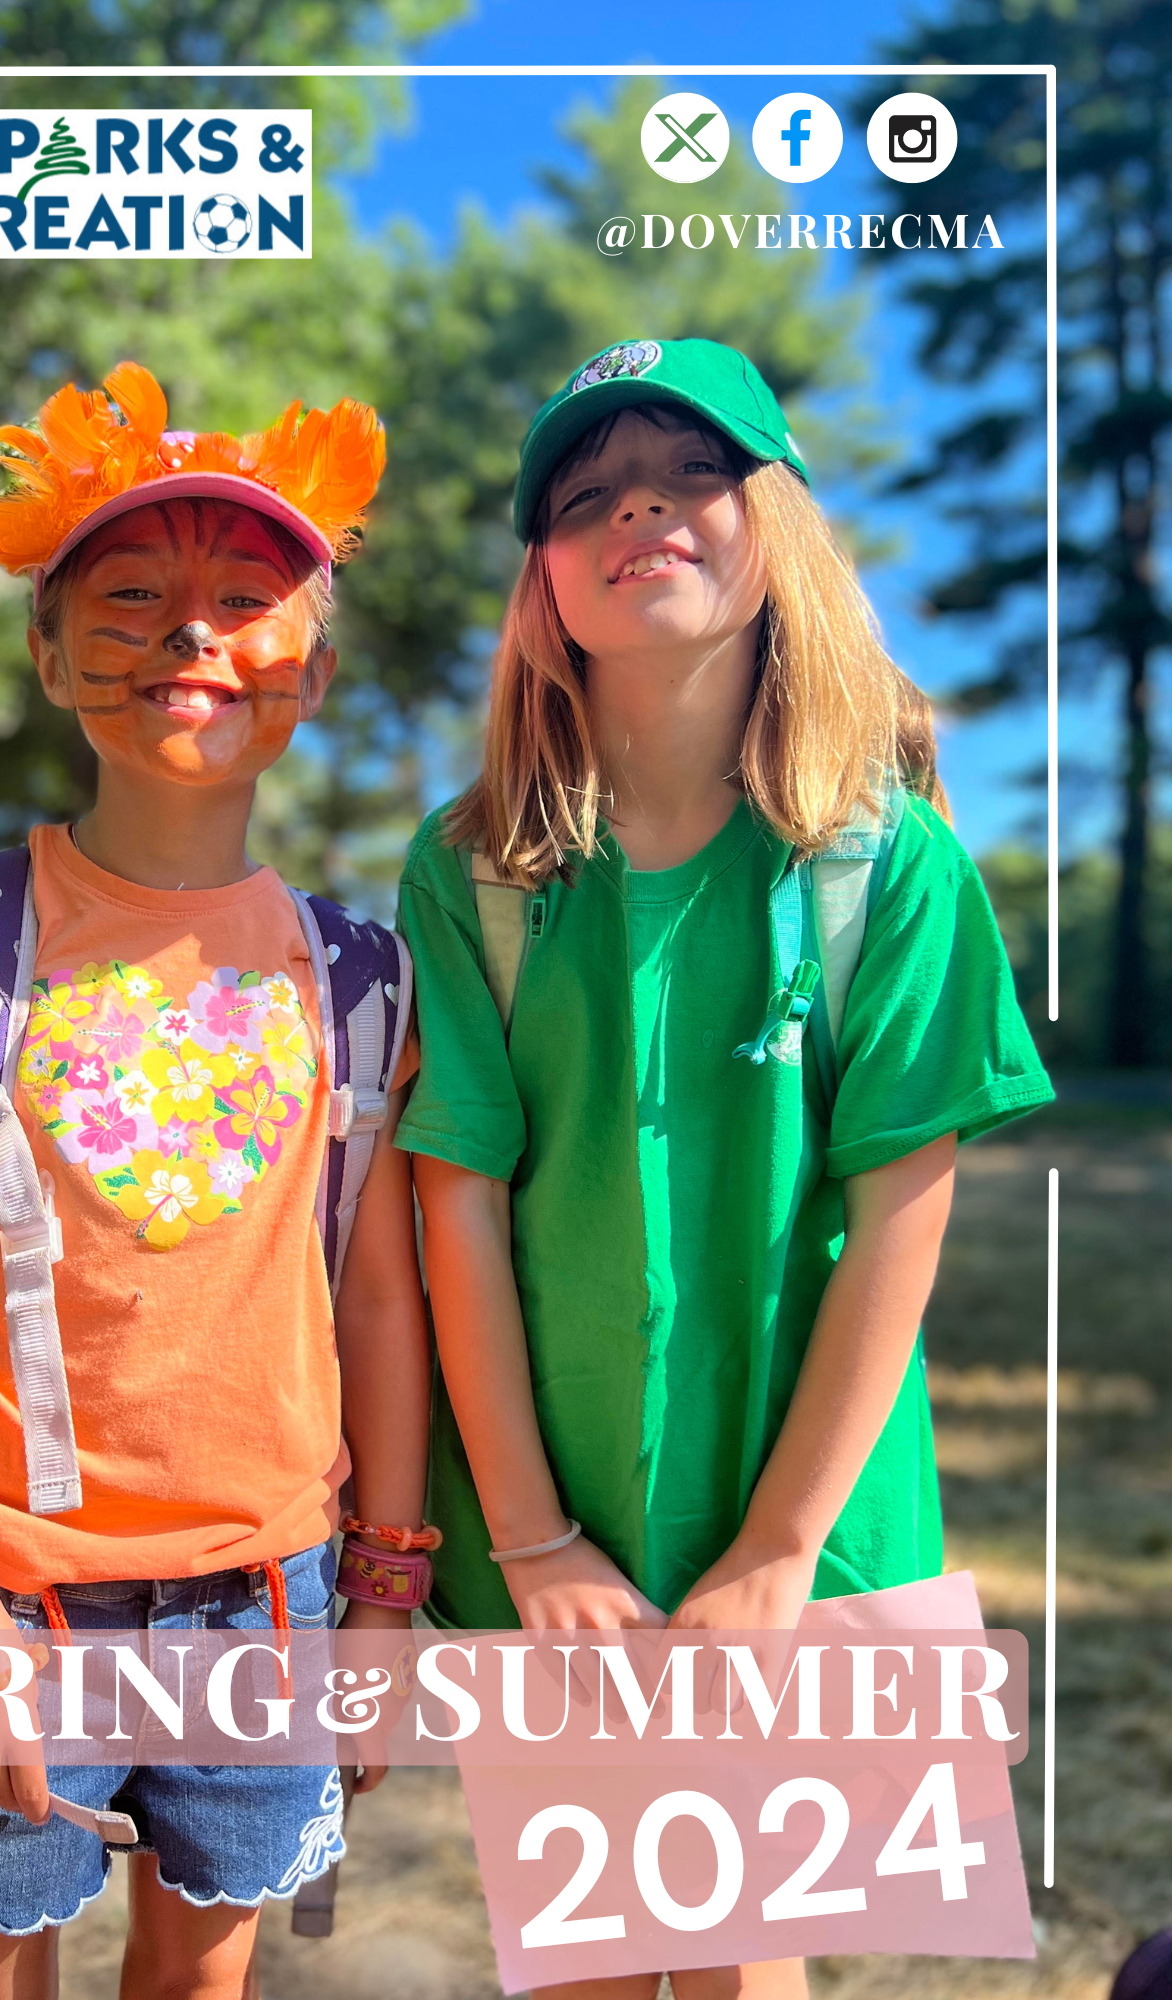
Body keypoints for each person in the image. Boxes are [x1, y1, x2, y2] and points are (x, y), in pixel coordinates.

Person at [394, 337, 1055, 2000]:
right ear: (545, 581)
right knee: (595, 1961)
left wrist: (775, 1541)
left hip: (811, 1520)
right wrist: (536, 1543)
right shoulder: (472, 869)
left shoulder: (883, 863)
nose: (645, 510)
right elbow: (454, 1203)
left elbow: (904, 1215)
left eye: (696, 472)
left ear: (782, 533)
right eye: (589, 493)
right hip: (557, 1526)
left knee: (748, 1960)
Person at [0, 363, 434, 2000]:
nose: (192, 637)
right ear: (43, 650)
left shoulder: (361, 976)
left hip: (272, 1594)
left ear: (317, 670)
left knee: (202, 1974)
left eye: (246, 600)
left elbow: (377, 1289)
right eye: (134, 597)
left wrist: (381, 1587)